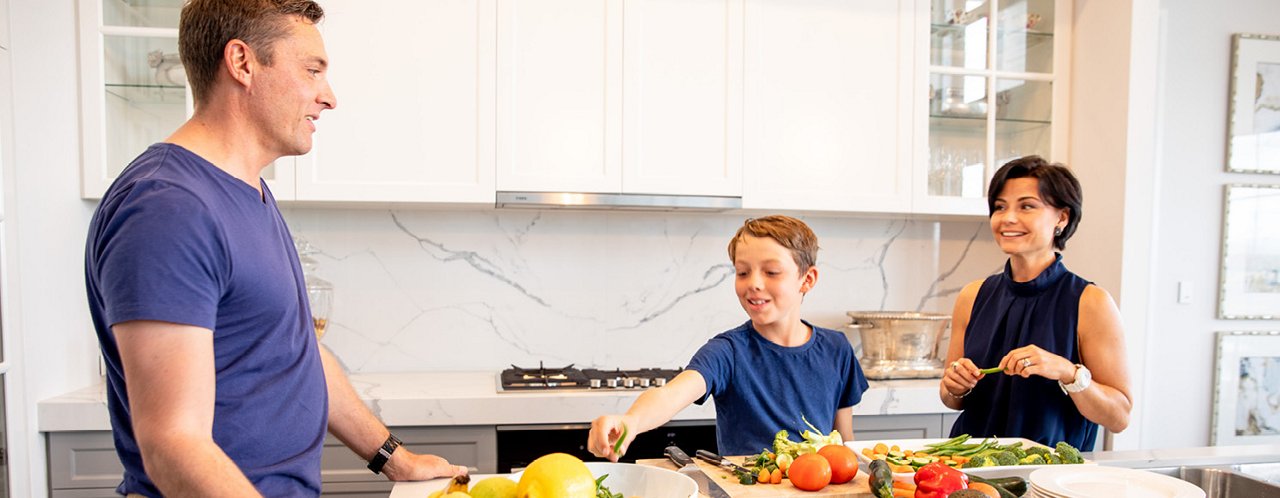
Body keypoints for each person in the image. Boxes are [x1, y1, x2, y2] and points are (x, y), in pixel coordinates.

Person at [83, 1, 466, 496]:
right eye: (312, 71)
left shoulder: (247, 192)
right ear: (242, 63)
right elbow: (172, 443)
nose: (328, 97)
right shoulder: (169, 207)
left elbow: (294, 348)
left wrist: (395, 458)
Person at [587, 215, 869, 459]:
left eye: (771, 272)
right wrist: (631, 421)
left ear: (807, 279)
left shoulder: (837, 349)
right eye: (742, 272)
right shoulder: (728, 352)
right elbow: (671, 394)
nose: (754, 284)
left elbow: (844, 441)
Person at [939, 156, 1132, 451]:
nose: (1008, 218)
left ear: (1062, 218)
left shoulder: (1091, 302)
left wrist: (1069, 372)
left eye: (1026, 206)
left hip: (1050, 479)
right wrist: (955, 385)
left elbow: (1118, 417)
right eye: (1000, 207)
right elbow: (952, 399)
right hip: (967, 474)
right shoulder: (972, 296)